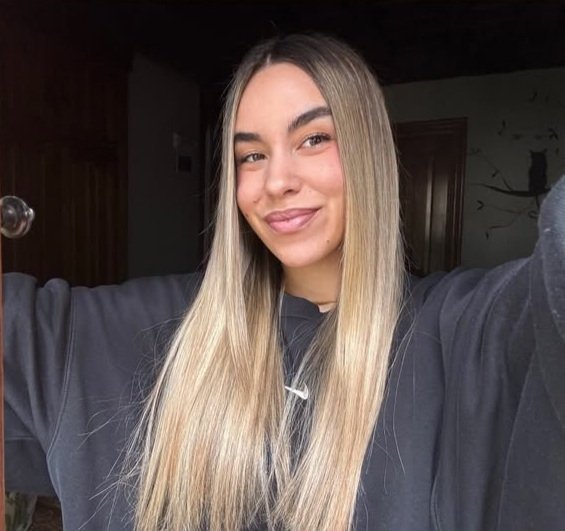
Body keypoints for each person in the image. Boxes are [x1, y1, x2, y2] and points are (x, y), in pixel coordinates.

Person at [4, 34, 565, 531]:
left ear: (369, 153)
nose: (276, 180)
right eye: (251, 154)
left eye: (314, 139)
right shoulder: (144, 329)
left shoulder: (465, 337)